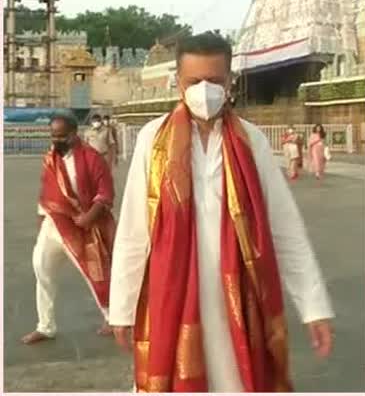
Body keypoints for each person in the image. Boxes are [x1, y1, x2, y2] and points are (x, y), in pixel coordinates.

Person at [108, 32, 334, 392]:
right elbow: (134, 230)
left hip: (240, 299)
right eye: (194, 81)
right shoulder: (153, 139)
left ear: (230, 82)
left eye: (214, 81)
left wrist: (313, 306)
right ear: (177, 83)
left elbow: (285, 229)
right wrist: (121, 307)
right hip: (172, 295)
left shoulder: (251, 140)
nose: (204, 90)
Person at [22, 112, 116, 345]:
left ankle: (112, 318)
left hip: (82, 226)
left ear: (74, 134)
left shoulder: (92, 158)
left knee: (95, 273)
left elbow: (105, 194)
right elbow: (46, 191)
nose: (57, 140)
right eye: (53, 135)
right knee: (41, 267)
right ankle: (45, 326)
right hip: (53, 223)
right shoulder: (50, 158)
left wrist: (89, 217)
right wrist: (41, 218)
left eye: (62, 136)